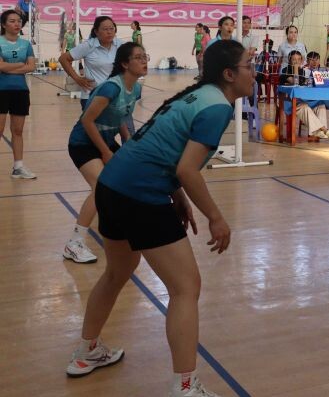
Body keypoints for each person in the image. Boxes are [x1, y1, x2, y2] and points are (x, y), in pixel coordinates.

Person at [65, 40, 253, 397]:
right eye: (249, 66)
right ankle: (185, 386)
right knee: (186, 288)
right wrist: (215, 217)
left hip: (112, 185)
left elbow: (164, 148)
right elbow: (187, 169)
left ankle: (86, 351)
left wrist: (176, 194)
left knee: (117, 272)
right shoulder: (217, 107)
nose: (254, 74)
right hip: (140, 194)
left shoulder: (195, 96)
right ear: (229, 74)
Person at [63, 43, 146, 264]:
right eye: (138, 57)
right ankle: (74, 243)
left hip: (106, 142)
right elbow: (87, 120)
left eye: (145, 56)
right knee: (100, 187)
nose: (144, 60)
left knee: (126, 183)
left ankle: (120, 228)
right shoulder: (111, 88)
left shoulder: (136, 89)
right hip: (83, 143)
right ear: (125, 64)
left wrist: (127, 142)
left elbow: (121, 116)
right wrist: (105, 152)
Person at [0, 10, 37, 179]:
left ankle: (18, 167)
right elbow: (0, 66)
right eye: (12, 21)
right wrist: (20, 65)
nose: (17, 24)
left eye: (19, 21)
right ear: (3, 24)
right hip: (1, 90)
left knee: (18, 130)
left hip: (20, 91)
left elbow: (31, 66)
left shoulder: (26, 44)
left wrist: (8, 67)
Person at [59, 16, 121, 111]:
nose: (109, 32)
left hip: (115, 96)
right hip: (92, 97)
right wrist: (77, 78)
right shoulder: (89, 45)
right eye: (105, 29)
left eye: (112, 28)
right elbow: (63, 59)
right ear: (96, 31)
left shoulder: (121, 45)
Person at [280, 51, 329, 140]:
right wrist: (296, 69)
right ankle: (324, 130)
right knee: (304, 107)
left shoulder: (302, 71)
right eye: (294, 59)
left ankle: (317, 133)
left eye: (299, 59)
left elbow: (305, 84)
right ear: (290, 61)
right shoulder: (285, 70)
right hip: (289, 102)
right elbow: (296, 82)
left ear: (301, 60)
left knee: (320, 105)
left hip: (302, 100)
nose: (296, 62)